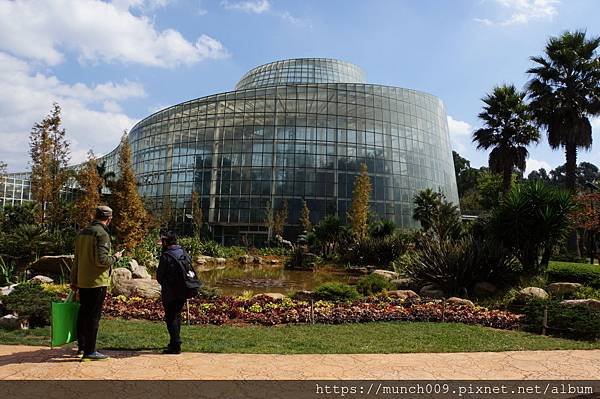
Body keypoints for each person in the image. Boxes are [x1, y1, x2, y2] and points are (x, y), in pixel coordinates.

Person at [70, 205, 122, 361]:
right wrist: (116, 257)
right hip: (97, 282)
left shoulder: (82, 233)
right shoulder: (102, 234)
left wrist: (74, 279)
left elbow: (77, 258)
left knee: (83, 314)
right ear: (109, 218)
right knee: (93, 317)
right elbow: (102, 260)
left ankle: (81, 347)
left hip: (83, 280)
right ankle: (90, 351)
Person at [156, 231, 191, 354]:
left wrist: (166, 283)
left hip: (170, 291)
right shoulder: (183, 252)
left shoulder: (166, 256)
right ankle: (174, 342)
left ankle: (176, 345)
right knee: (177, 315)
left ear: (166, 242)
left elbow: (159, 276)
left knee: (171, 317)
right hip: (183, 289)